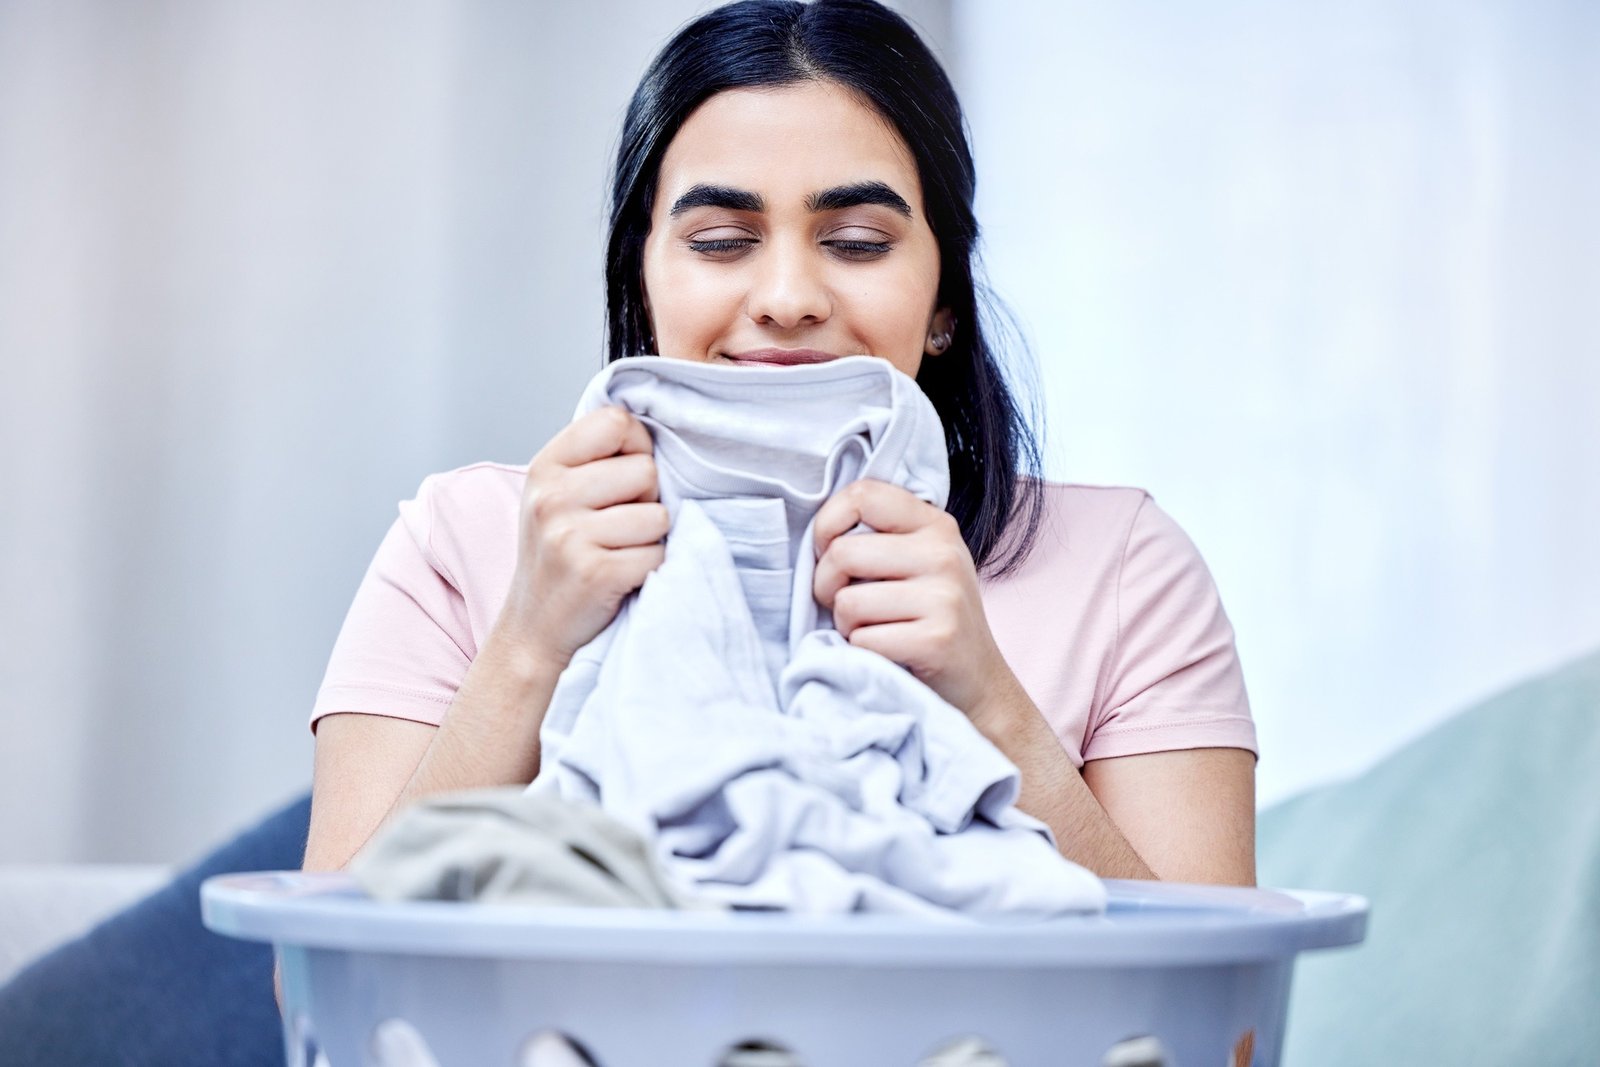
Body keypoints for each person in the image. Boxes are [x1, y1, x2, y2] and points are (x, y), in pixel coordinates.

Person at [0, 2, 1256, 1063]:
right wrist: (530, 641)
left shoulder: (1123, 567)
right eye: (718, 240)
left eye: (859, 240)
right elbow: (326, 1003)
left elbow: (1218, 1019)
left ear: (940, 297)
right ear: (642, 282)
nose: (785, 296)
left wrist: (989, 698)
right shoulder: (468, 535)